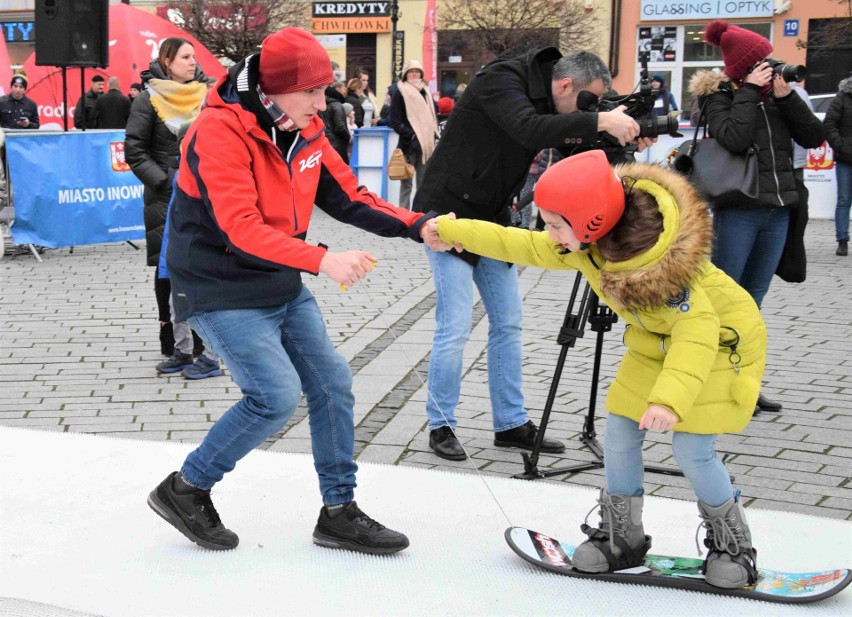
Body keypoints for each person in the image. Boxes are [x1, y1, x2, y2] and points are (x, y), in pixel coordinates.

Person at [147, 27, 449, 555]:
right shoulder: (218, 131)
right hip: (218, 285)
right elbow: (240, 226)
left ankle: (339, 511)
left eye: (324, 89)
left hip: (278, 277)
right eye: (310, 91)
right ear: (274, 87)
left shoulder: (304, 128)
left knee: (333, 384)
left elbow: (349, 195)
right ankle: (186, 488)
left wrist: (416, 224)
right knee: (274, 395)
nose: (321, 101)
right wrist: (323, 260)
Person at [430, 150, 767, 590]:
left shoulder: (664, 264)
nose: (546, 232)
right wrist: (451, 230)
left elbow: (697, 332)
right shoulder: (587, 246)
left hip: (719, 347)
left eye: (554, 223)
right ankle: (622, 536)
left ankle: (733, 545)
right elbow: (520, 244)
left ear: (590, 221)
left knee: (692, 449)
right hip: (654, 347)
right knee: (620, 432)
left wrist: (669, 399)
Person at [412, 47, 642, 461]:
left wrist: (611, 133)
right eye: (585, 100)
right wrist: (600, 119)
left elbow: (565, 142)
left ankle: (511, 424)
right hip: (446, 214)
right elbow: (531, 128)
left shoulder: (551, 96)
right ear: (565, 84)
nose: (587, 108)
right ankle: (441, 424)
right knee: (456, 324)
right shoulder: (501, 80)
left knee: (509, 323)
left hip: (494, 214)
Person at [688, 20, 824, 414]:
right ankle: (705, 379)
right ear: (744, 65)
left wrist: (787, 99)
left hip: (778, 212)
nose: (769, 65)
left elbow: (814, 138)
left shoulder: (776, 97)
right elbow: (733, 137)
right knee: (722, 298)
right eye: (760, 61)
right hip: (739, 212)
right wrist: (748, 91)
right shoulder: (719, 96)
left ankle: (742, 381)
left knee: (753, 301)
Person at [124, 37, 222, 379]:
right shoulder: (148, 98)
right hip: (166, 196)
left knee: (205, 266)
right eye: (185, 57)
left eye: (194, 56)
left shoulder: (210, 95)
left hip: (207, 195)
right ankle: (178, 344)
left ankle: (208, 349)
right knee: (169, 271)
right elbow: (134, 149)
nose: (192, 62)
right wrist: (166, 182)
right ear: (167, 61)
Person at [388, 59, 439, 209]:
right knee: (406, 182)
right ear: (406, 74)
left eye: (417, 71)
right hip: (409, 144)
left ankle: (420, 212)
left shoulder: (426, 92)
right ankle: (403, 213)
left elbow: (433, 115)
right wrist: (410, 134)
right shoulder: (400, 91)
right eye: (411, 71)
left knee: (423, 183)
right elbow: (394, 120)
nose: (414, 74)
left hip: (426, 144)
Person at [824, 72, 852, 257]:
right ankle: (842, 240)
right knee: (843, 200)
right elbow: (829, 124)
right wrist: (842, 147)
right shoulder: (842, 97)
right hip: (845, 159)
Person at [321, 81, 350, 163]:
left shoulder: (320, 105)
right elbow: (340, 126)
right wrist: (347, 137)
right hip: (337, 145)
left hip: (323, 143)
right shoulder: (337, 105)